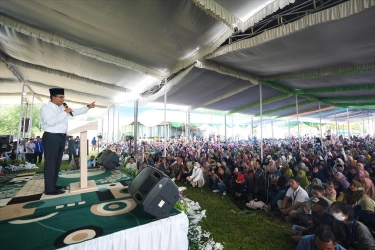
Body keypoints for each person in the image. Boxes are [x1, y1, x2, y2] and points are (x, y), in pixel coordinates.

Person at [40, 87, 95, 195]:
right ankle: (49, 189)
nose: (63, 99)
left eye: (63, 97)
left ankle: (53, 184)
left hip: (61, 137)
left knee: (56, 163)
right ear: (53, 97)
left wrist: (88, 107)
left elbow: (75, 112)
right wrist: (65, 112)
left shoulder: (61, 107)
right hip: (51, 137)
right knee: (50, 163)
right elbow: (50, 122)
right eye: (60, 97)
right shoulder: (45, 108)